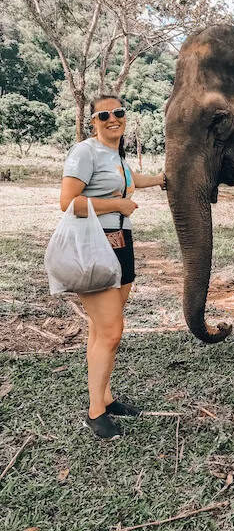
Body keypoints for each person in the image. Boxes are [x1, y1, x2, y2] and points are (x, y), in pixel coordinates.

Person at [60, 95, 166, 440]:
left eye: (118, 112)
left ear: (125, 117)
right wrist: (117, 204)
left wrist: (162, 178)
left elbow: (130, 178)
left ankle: (105, 398)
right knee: (111, 332)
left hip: (121, 243)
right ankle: (95, 413)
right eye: (103, 114)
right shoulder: (85, 152)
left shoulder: (116, 156)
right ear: (94, 121)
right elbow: (68, 202)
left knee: (100, 329)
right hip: (95, 244)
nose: (112, 119)